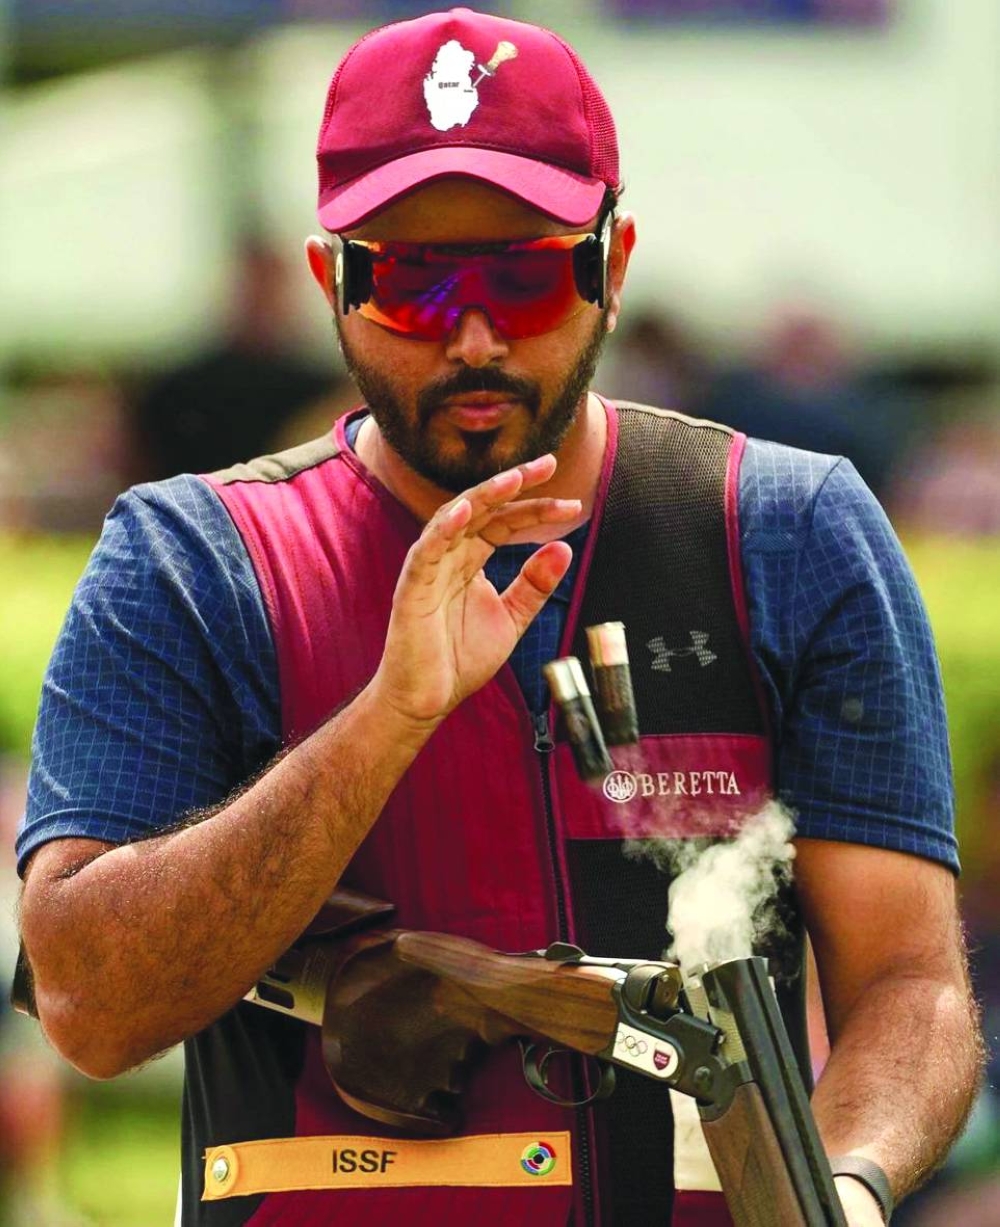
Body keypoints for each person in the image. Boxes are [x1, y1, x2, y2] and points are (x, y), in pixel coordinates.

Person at [15, 8, 982, 1227]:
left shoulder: (786, 531)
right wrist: (387, 718)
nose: (472, 337)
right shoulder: (190, 558)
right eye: (411, 284)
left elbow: (908, 983)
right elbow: (91, 1011)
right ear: (331, 284)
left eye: (525, 275)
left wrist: (839, 1188)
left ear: (613, 267)